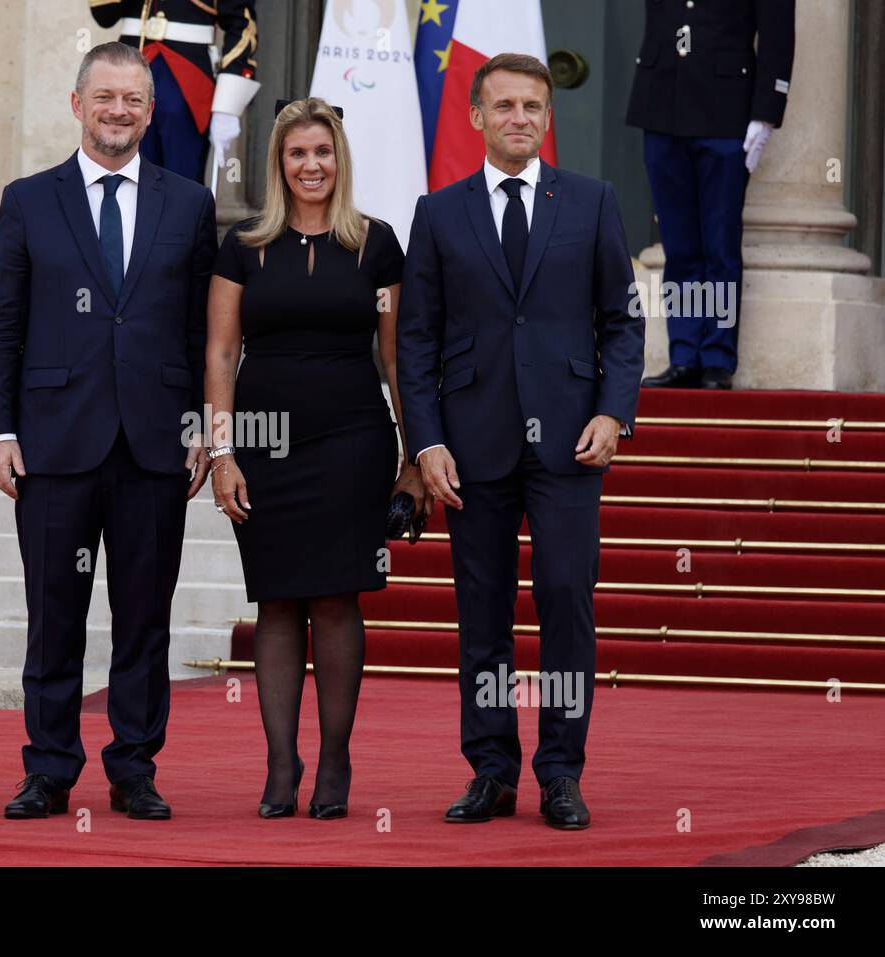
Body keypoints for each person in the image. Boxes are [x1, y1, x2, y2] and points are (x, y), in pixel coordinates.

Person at [397, 53, 644, 829]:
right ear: (476, 117)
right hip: (473, 446)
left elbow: (623, 320)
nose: (519, 119)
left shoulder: (592, 203)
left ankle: (562, 772)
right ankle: (493, 770)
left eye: (533, 107)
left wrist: (614, 412)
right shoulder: (438, 213)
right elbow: (416, 340)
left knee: (567, 602)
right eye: (504, 106)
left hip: (572, 442)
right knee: (483, 614)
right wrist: (426, 442)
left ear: (547, 117)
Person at [0, 42, 216, 821]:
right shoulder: (27, 199)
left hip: (155, 445)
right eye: (105, 97)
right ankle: (48, 767)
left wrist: (201, 430)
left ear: (151, 113)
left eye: (134, 101)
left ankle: (134, 766)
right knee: (54, 615)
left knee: (144, 616)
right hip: (53, 443)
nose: (119, 111)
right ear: (78, 104)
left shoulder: (189, 204)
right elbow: (2, 328)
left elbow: (200, 334)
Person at [207, 97, 429, 819]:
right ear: (279, 163)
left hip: (353, 440)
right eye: (298, 153)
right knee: (276, 598)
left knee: (335, 597)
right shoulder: (242, 246)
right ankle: (281, 764)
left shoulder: (378, 244)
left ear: (341, 160)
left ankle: (335, 759)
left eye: (323, 152)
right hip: (264, 441)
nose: (312, 165)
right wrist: (221, 451)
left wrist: (412, 454)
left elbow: (398, 359)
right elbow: (219, 351)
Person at [629, 0, 795, 390]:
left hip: (725, 108)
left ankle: (717, 357)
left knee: (718, 243)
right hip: (662, 103)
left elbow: (777, 35)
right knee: (680, 244)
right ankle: (684, 355)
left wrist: (767, 108)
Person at [88, 0, 259, 181]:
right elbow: (104, 14)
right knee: (126, 181)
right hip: (129, 74)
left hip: (187, 79)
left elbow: (242, 26)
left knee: (181, 187)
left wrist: (227, 106)